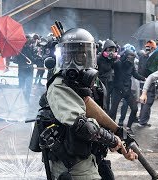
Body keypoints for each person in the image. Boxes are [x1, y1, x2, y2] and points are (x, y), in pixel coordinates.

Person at [45, 28, 137, 179]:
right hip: (73, 162)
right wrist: (113, 140)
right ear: (62, 56)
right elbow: (82, 126)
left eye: (81, 54)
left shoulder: (88, 83)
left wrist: (121, 137)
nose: (75, 60)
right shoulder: (59, 85)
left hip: (92, 154)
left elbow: (91, 108)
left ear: (89, 55)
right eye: (70, 55)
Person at [108, 49, 145, 136]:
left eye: (132, 58)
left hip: (127, 90)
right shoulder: (118, 63)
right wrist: (111, 57)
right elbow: (109, 66)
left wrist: (144, 78)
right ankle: (109, 127)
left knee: (135, 108)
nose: (131, 60)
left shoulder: (131, 65)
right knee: (113, 111)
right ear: (125, 56)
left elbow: (135, 74)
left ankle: (128, 127)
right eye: (129, 57)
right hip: (117, 90)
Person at [138, 40, 157, 127]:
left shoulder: (142, 56)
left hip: (142, 81)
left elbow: (139, 69)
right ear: (152, 48)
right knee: (148, 101)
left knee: (143, 100)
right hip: (149, 81)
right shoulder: (152, 58)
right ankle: (143, 120)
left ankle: (142, 119)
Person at [97, 39, 119, 112]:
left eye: (113, 50)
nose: (111, 52)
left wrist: (115, 60)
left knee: (109, 102)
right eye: (109, 50)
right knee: (102, 101)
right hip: (101, 84)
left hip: (110, 83)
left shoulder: (113, 60)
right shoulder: (99, 59)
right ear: (105, 50)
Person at [13, 35, 35, 102]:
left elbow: (34, 59)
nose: (27, 41)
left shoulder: (31, 48)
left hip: (29, 70)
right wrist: (19, 56)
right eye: (26, 40)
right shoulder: (18, 49)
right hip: (22, 70)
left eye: (28, 40)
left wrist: (31, 59)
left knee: (28, 87)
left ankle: (26, 100)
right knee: (21, 86)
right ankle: (20, 101)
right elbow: (15, 60)